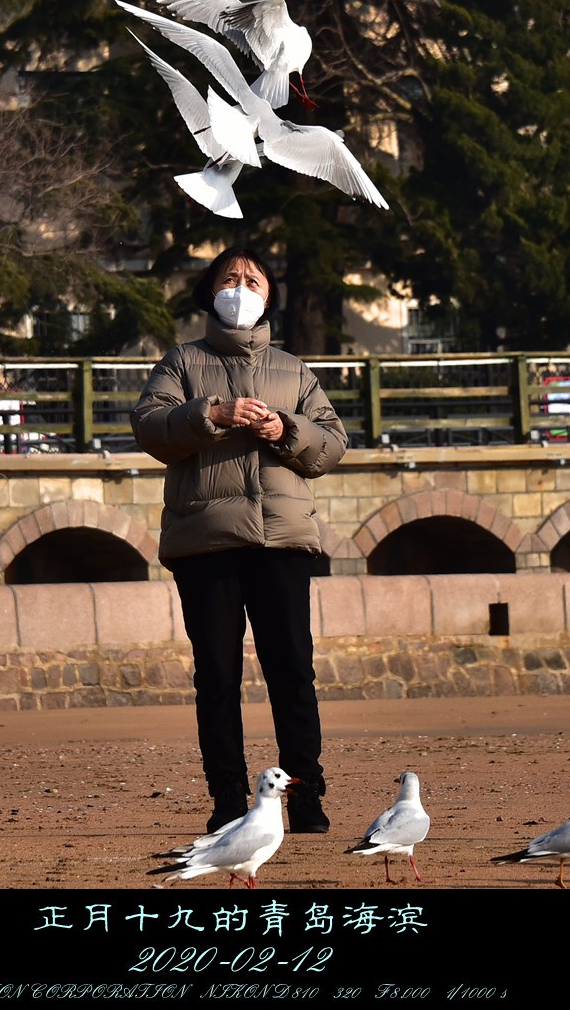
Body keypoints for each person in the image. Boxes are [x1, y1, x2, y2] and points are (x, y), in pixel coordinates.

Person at [131, 247, 347, 834]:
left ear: (269, 296)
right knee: (218, 677)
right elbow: (150, 428)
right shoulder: (181, 361)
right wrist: (214, 414)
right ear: (209, 291)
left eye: (253, 280)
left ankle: (304, 795)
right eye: (230, 278)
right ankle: (228, 797)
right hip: (206, 544)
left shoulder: (294, 369)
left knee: (292, 673)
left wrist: (285, 428)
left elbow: (331, 446)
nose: (241, 288)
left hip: (282, 540)